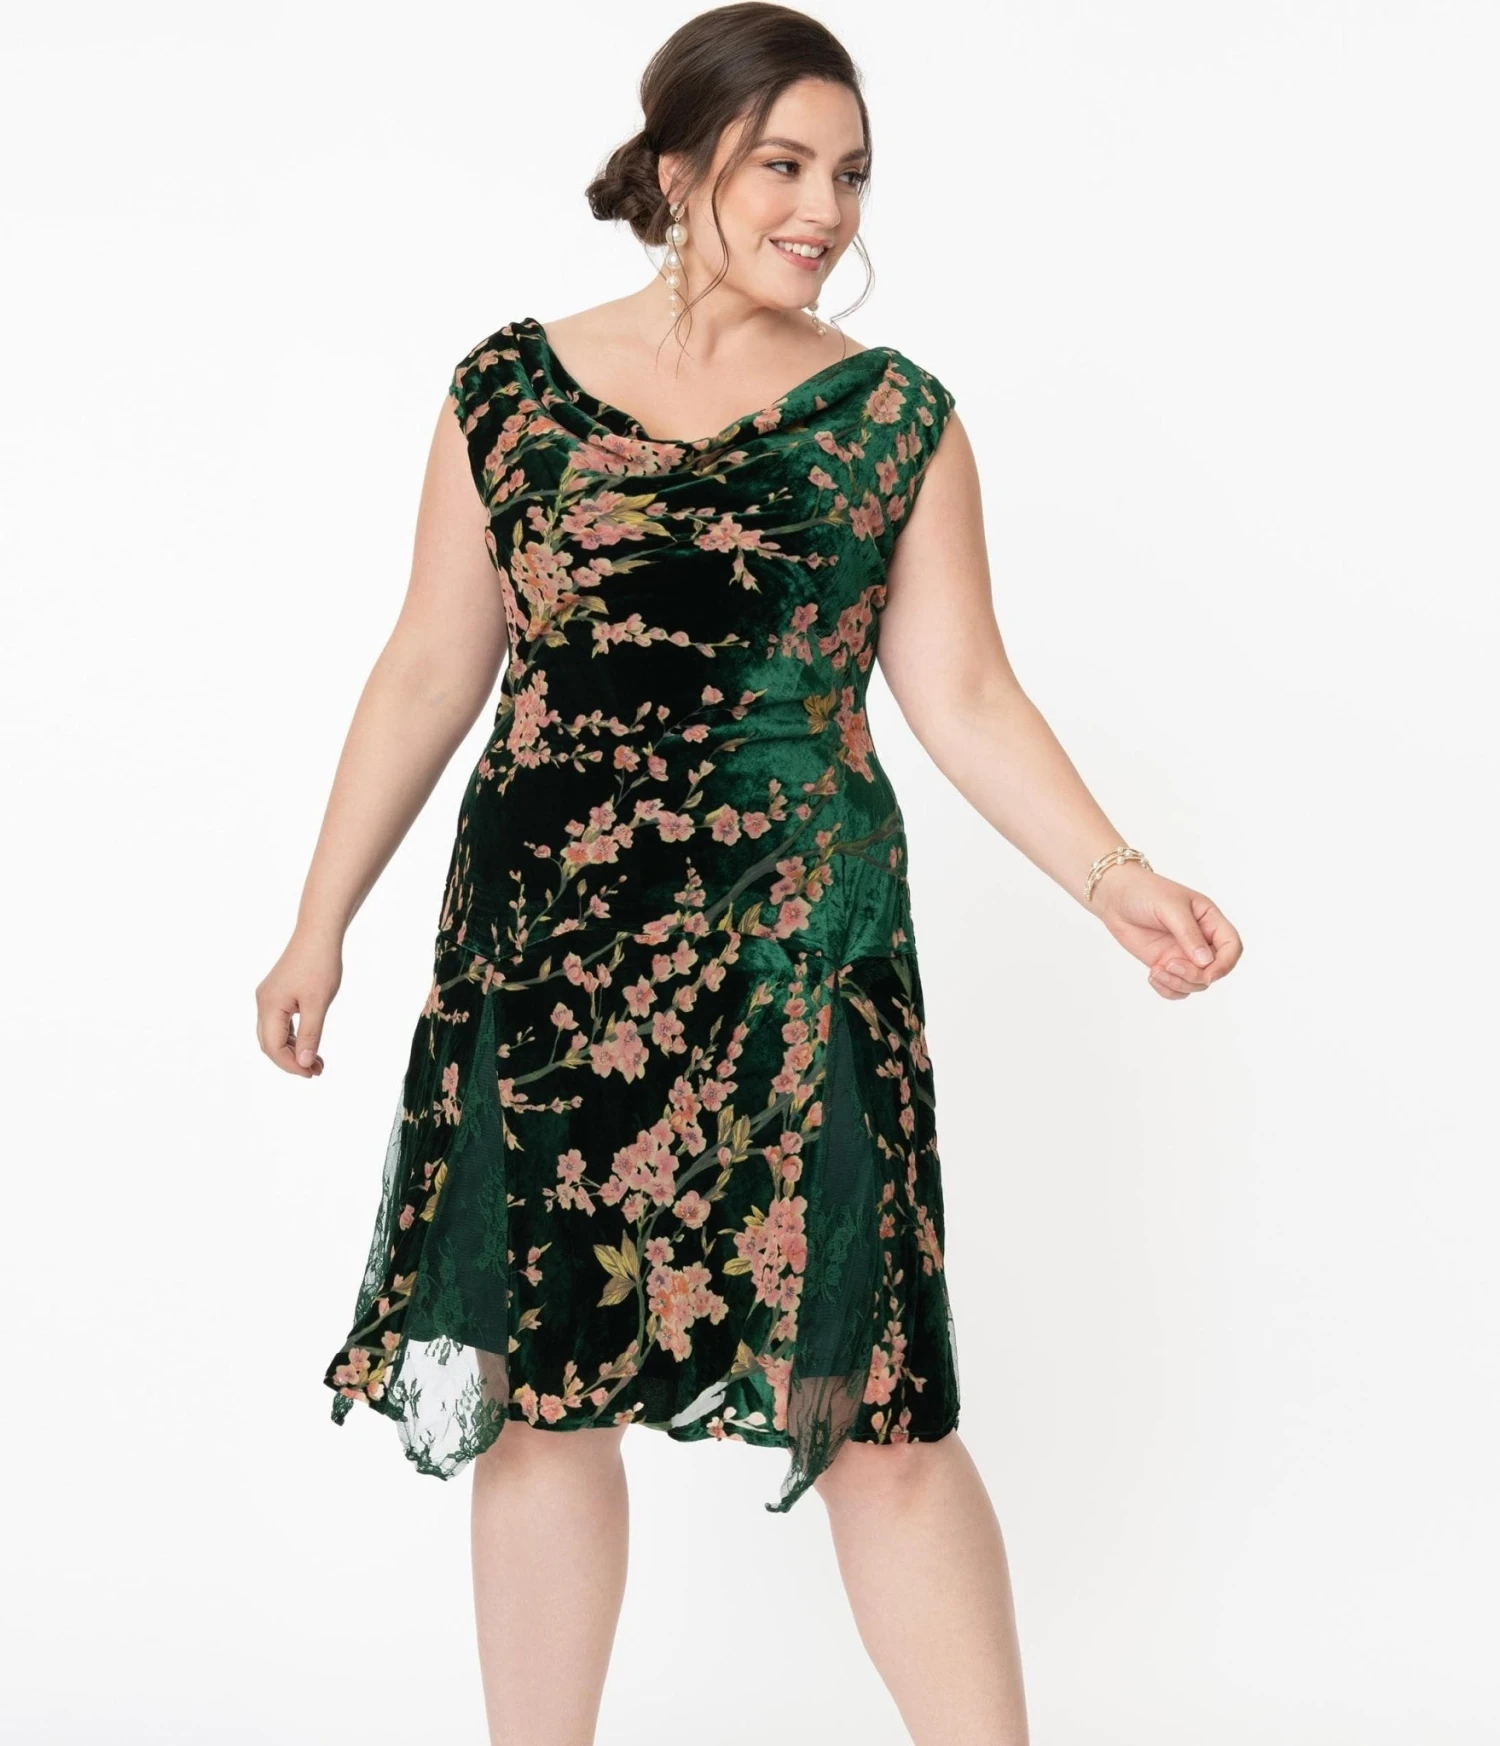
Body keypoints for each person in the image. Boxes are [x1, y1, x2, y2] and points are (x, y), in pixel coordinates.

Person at [255, 5, 1243, 1741]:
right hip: (549, 950)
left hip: (799, 956)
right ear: (675, 166)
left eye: (850, 174)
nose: (825, 210)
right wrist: (316, 923)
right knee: (544, 1399)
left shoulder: (894, 418)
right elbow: (428, 665)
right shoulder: (506, 392)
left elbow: (964, 691)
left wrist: (1115, 876)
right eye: (784, 164)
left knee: (875, 1409)